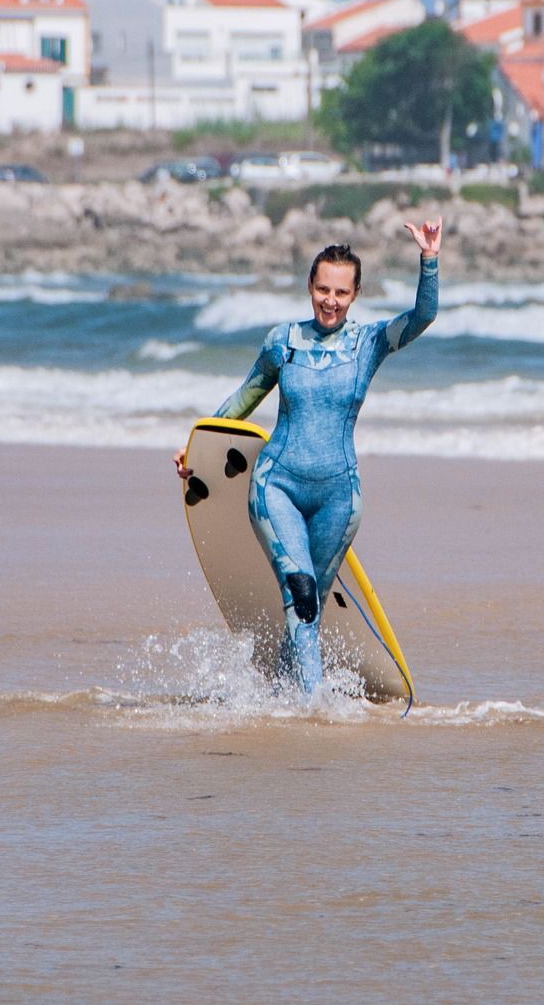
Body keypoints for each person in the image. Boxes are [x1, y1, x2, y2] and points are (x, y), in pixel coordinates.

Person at [175, 219, 443, 693]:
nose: (330, 300)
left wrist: (429, 260)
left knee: (308, 607)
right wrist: (202, 445)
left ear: (355, 294)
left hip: (339, 498)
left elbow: (422, 317)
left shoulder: (369, 343)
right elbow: (244, 399)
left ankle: (281, 690)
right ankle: (313, 707)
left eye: (341, 291)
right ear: (309, 287)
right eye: (323, 289)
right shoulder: (283, 342)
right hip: (277, 486)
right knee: (300, 594)